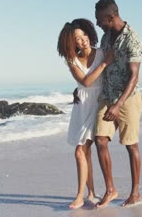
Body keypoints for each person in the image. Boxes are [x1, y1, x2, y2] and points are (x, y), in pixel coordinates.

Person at [57, 18, 114, 209]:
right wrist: (104, 64)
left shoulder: (101, 53)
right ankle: (90, 192)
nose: (83, 40)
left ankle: (80, 196)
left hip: (99, 104)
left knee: (80, 151)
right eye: (77, 39)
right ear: (71, 43)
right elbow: (86, 82)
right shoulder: (71, 60)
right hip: (82, 107)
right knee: (85, 152)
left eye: (84, 35)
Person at [93, 0, 142, 208]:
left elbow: (134, 76)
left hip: (127, 100)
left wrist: (118, 104)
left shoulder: (132, 39)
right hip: (106, 96)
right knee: (100, 139)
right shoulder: (105, 38)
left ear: (111, 17)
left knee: (131, 146)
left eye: (100, 19)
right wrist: (82, 88)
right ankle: (111, 189)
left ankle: (135, 192)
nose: (97, 24)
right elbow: (100, 65)